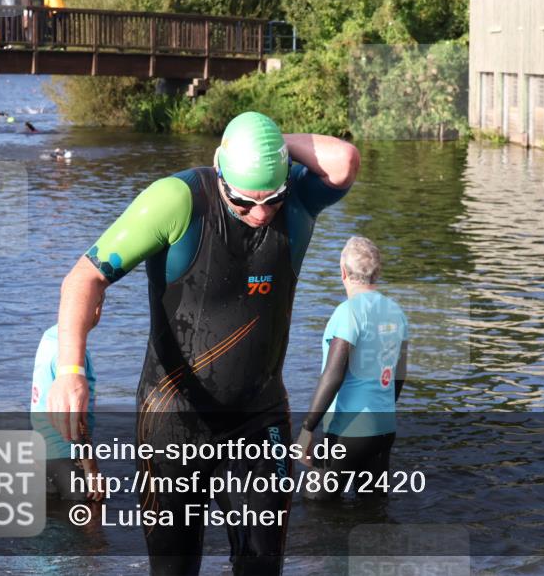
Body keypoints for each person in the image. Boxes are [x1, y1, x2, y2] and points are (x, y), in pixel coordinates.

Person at [48, 111, 359, 575]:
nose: (259, 213)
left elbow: (344, 160)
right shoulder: (175, 200)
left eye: (270, 199)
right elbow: (84, 278)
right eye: (242, 200)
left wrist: (270, 143)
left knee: (261, 567)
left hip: (259, 417)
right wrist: (70, 372)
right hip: (172, 422)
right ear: (220, 170)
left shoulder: (296, 199)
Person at [296, 236, 408, 496]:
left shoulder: (348, 313)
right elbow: (399, 375)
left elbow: (333, 376)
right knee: (372, 509)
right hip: (384, 428)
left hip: (348, 430)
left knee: (317, 507)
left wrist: (307, 429)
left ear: (343, 271)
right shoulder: (396, 311)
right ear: (377, 273)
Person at [30, 297, 104, 502]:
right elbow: (76, 416)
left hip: (41, 455)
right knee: (90, 524)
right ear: (96, 309)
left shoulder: (49, 338)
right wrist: (92, 468)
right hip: (67, 457)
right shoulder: (72, 355)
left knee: (54, 527)